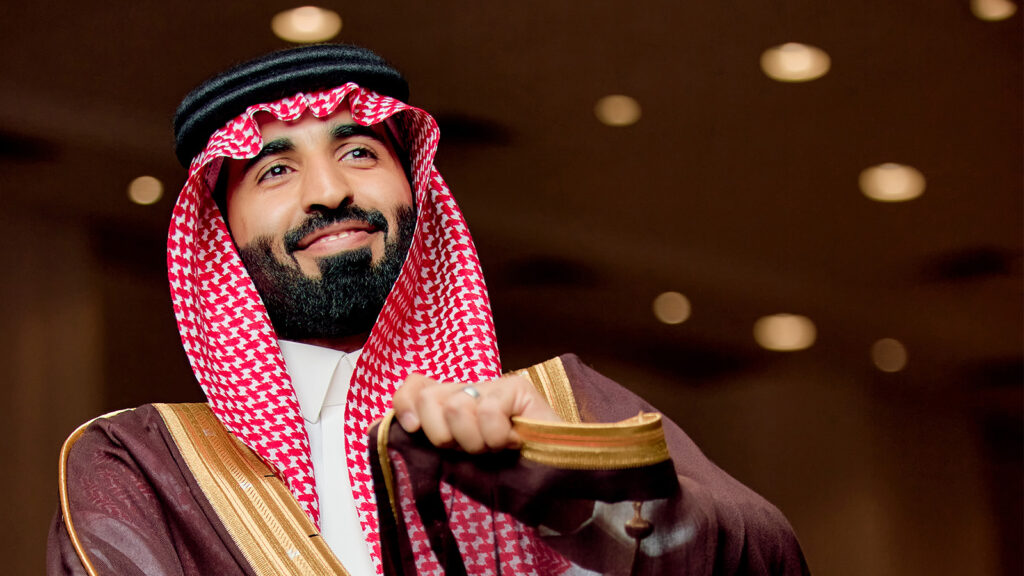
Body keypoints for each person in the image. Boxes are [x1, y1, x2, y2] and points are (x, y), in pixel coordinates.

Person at [47, 44, 809, 575]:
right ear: (218, 234)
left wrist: (579, 492)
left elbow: (769, 562)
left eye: (359, 153)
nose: (329, 191)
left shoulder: (561, 403)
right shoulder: (144, 465)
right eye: (275, 169)